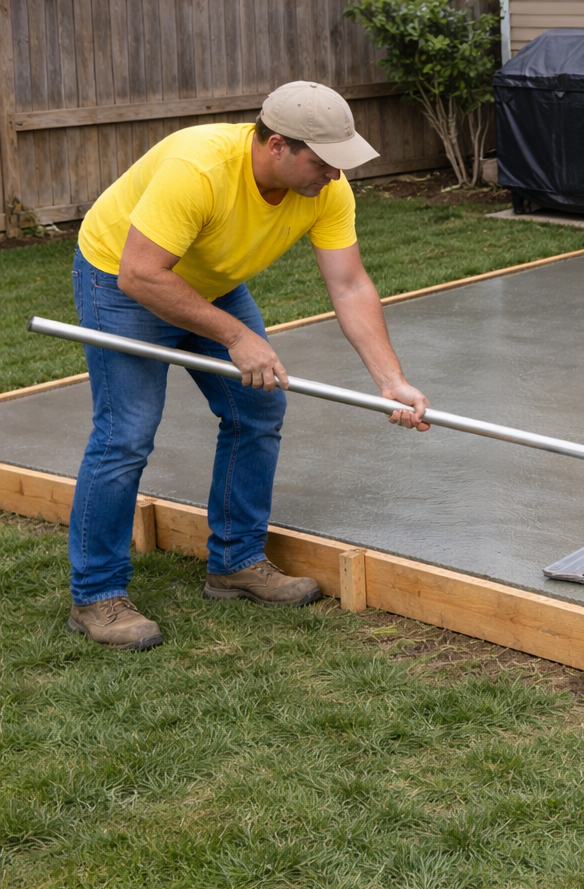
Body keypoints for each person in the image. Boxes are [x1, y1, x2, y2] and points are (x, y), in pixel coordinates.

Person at [67, 81, 431, 652]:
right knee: (126, 433)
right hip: (122, 280)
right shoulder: (201, 166)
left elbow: (351, 284)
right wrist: (235, 335)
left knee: (258, 406)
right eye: (322, 161)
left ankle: (235, 562)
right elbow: (141, 274)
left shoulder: (325, 191)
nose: (334, 174)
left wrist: (391, 380)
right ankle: (97, 596)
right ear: (277, 145)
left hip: (207, 280)